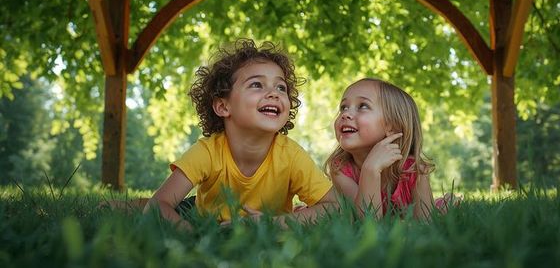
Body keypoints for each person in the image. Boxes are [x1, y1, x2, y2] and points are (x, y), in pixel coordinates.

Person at [141, 39, 335, 229]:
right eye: (257, 85)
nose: (274, 93)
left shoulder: (291, 155)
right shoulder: (207, 151)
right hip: (202, 214)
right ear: (223, 106)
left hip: (262, 231)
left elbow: (334, 208)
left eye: (280, 87)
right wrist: (192, 235)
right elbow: (157, 205)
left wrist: (276, 223)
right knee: (140, 207)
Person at [326, 78, 445, 219]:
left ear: (392, 126)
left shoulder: (414, 170)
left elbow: (426, 223)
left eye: (362, 106)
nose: (345, 114)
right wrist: (370, 169)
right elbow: (367, 221)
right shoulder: (340, 169)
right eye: (343, 107)